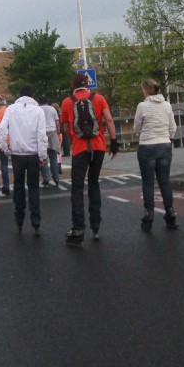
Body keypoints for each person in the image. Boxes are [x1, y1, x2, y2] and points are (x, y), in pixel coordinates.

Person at [59, 73, 118, 246]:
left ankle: (78, 230)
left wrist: (73, 140)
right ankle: (96, 225)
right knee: (94, 183)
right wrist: (114, 143)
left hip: (80, 149)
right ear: (87, 85)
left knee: (77, 188)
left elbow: (66, 127)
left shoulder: (67, 102)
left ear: (73, 86)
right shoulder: (98, 98)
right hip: (98, 147)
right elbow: (109, 120)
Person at [0, 84, 47, 235]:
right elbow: (41, 135)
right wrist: (42, 155)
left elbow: (1, 129)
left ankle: (19, 218)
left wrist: (4, 148)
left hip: (17, 154)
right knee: (33, 187)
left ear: (19, 95)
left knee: (18, 187)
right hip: (33, 154)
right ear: (32, 95)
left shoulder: (11, 109)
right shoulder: (38, 111)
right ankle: (36, 221)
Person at [133, 78, 177, 232]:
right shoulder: (167, 105)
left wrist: (141, 134)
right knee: (165, 180)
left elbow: (136, 127)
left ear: (146, 90)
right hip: (165, 145)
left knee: (148, 182)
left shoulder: (142, 106)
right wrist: (168, 138)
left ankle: (149, 214)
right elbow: (173, 127)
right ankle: (170, 212)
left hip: (147, 146)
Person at [40, 98, 62, 187]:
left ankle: (46, 179)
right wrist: (58, 133)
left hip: (42, 134)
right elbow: (57, 123)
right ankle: (56, 179)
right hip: (52, 133)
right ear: (47, 102)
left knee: (43, 158)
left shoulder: (38, 109)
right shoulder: (52, 109)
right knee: (53, 158)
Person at [0, 96, 12, 196]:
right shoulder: (11, 111)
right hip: (15, 140)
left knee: (4, 164)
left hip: (4, 141)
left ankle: (6, 186)